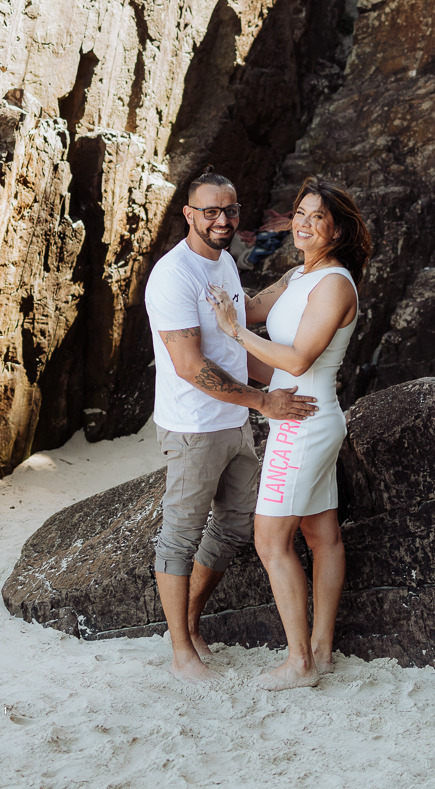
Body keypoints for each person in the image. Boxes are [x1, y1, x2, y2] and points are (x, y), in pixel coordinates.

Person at [144, 167, 318, 683]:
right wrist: (265, 401)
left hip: (234, 420)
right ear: (189, 215)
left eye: (231, 210)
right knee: (180, 535)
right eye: (211, 211)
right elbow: (190, 364)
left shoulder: (222, 265)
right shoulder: (174, 275)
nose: (222, 219)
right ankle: (181, 653)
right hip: (193, 426)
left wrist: (297, 275)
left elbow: (242, 324)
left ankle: (192, 625)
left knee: (237, 524)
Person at [207, 176, 371, 690]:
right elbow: (250, 307)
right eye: (298, 212)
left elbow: (299, 357)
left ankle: (298, 663)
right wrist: (204, 271)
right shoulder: (297, 275)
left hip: (304, 420)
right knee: (322, 535)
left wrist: (235, 333)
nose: (302, 222)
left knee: (269, 539)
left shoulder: (336, 284)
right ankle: (320, 652)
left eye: (316, 216)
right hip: (301, 419)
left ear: (337, 229)